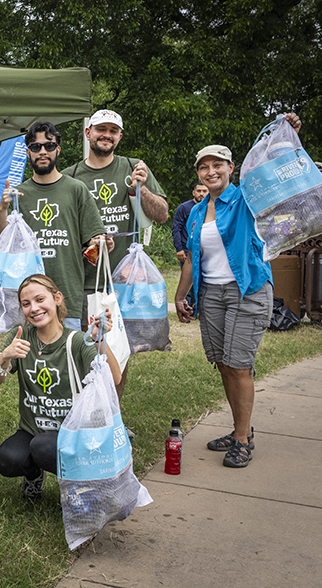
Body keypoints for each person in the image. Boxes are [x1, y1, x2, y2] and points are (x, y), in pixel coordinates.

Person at [174, 144, 274, 469]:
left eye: (218, 165)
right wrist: (180, 296)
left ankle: (243, 439)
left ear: (231, 167)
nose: (211, 171)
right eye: (204, 167)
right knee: (223, 363)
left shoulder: (246, 199)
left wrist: (285, 136)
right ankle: (238, 430)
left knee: (239, 365)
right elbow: (191, 257)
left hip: (247, 290)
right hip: (212, 294)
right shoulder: (199, 210)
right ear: (198, 173)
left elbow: (268, 173)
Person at [61, 110, 168, 406]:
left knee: (118, 350)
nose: (106, 135)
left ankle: (113, 415)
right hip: (83, 279)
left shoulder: (134, 168)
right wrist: (92, 242)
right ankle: (85, 410)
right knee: (85, 348)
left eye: (113, 130)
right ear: (88, 133)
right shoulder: (70, 176)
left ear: (120, 136)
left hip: (124, 280)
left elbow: (160, 215)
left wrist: (140, 187)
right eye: (100, 129)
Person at [0, 274, 120, 500]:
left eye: (40, 299)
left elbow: (115, 377)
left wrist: (100, 342)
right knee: (7, 459)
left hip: (73, 432)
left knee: (42, 446)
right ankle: (33, 476)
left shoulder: (77, 341)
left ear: (57, 298)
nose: (34, 308)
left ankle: (77, 485)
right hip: (32, 430)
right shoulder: (21, 336)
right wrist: (5, 356)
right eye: (26, 303)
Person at [0, 121, 109, 331]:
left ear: (58, 149)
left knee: (69, 358)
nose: (42, 151)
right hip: (29, 300)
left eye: (49, 145)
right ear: (28, 152)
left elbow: (94, 237)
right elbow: (0, 239)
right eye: (36, 147)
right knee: (33, 360)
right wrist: (2, 209)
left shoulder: (76, 189)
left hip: (68, 296)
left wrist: (99, 242)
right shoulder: (18, 194)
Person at [172, 182, 209, 317]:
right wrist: (179, 248)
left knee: (202, 280)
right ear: (193, 192)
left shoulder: (211, 207)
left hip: (204, 250)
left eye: (204, 191)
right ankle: (186, 309)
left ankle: (199, 309)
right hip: (187, 249)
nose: (201, 194)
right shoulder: (185, 208)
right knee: (188, 279)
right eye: (199, 191)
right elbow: (176, 229)